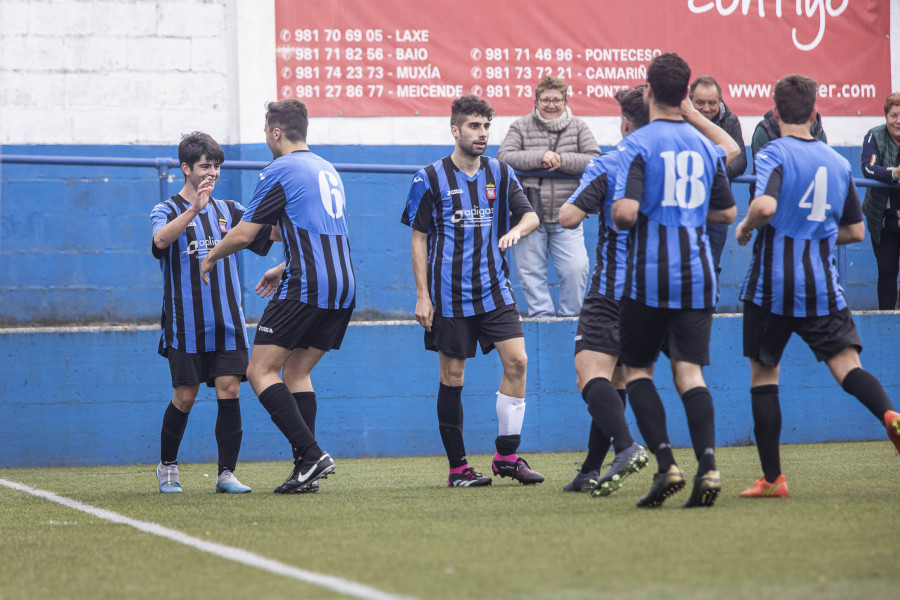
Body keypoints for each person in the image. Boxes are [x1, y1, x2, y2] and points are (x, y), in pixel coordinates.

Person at [734, 75, 900, 499]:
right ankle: (890, 413)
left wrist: (746, 225)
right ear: (813, 113)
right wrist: (817, 232)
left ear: (774, 112)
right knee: (848, 368)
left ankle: (773, 479)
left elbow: (766, 205)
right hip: (823, 286)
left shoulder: (773, 152)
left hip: (772, 286)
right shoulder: (837, 162)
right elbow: (857, 231)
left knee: (764, 375)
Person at [200, 99, 355, 494]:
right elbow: (311, 234)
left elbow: (246, 233)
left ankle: (311, 452)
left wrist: (211, 257)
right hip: (343, 285)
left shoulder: (279, 169)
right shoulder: (326, 168)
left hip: (307, 285)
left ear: (275, 132)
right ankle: (306, 468)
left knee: (259, 371)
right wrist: (282, 265)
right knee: (297, 373)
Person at [611, 53, 739, 509]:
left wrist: (626, 210)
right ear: (686, 95)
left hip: (648, 275)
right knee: (690, 372)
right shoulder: (707, 147)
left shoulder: (637, 145)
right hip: (698, 274)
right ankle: (709, 466)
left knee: (637, 370)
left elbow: (626, 213)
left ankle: (667, 463)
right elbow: (726, 212)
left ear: (647, 92)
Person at [402, 95, 544, 487]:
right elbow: (418, 239)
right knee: (453, 375)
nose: (482, 134)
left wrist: (516, 229)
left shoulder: (500, 173)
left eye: (485, 126)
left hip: (496, 292)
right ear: (455, 130)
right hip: (449, 297)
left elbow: (530, 215)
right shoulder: (428, 178)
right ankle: (458, 469)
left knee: (518, 362)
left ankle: (507, 456)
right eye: (474, 126)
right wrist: (422, 296)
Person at [150, 131, 275, 494]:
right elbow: (159, 241)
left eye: (217, 166)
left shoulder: (232, 211)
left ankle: (226, 474)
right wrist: (193, 210)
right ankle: (168, 467)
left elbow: (271, 234)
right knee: (185, 396)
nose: (212, 173)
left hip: (227, 323)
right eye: (205, 166)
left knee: (230, 389)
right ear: (185, 168)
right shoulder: (167, 210)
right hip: (185, 324)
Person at [557, 86, 651, 496]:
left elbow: (568, 217)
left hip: (612, 288)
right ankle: (590, 470)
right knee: (615, 379)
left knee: (587, 375)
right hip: (652, 291)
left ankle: (627, 446)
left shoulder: (610, 164)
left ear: (625, 122)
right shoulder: (670, 164)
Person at [498, 75, 597, 317]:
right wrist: (539, 156)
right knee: (531, 274)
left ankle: (570, 319)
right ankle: (542, 319)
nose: (551, 105)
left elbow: (594, 159)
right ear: (536, 101)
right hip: (529, 214)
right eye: (545, 100)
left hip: (568, 215)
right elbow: (504, 156)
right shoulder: (520, 126)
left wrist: (563, 161)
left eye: (556, 100)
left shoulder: (579, 127)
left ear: (565, 100)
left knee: (577, 269)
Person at [689, 76, 748, 275]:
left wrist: (713, 172)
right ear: (690, 101)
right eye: (700, 103)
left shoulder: (730, 121)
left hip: (716, 205)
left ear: (720, 101)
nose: (706, 108)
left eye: (712, 103)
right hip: (685, 205)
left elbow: (741, 160)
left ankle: (708, 306)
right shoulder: (681, 120)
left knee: (711, 267)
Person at [861, 93, 900, 310]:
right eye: (893, 115)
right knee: (887, 270)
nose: (898, 121)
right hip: (882, 222)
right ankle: (886, 319)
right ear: (886, 116)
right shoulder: (873, 136)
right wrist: (893, 173)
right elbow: (868, 168)